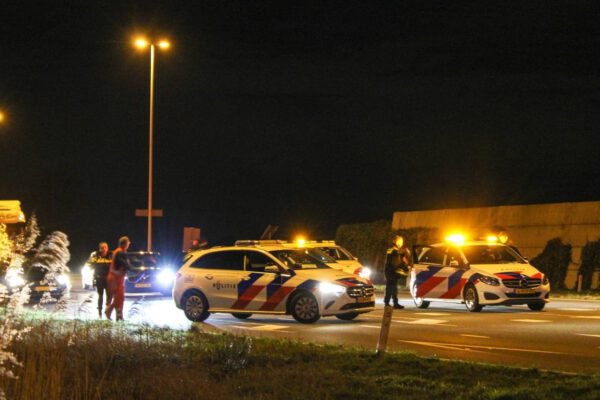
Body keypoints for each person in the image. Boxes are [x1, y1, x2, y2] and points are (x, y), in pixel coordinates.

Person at [105, 236, 132, 321]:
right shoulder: (121, 252)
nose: (128, 245)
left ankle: (119, 316)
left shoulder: (117, 251)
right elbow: (125, 264)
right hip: (116, 278)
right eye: (128, 243)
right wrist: (131, 268)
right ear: (124, 244)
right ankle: (110, 311)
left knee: (119, 297)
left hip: (114, 277)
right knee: (119, 297)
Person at [384, 235, 411, 310]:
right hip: (390, 272)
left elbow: (399, 261)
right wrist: (402, 253)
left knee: (394, 288)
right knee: (390, 288)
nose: (401, 243)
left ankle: (395, 303)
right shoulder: (391, 250)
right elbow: (394, 261)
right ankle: (387, 303)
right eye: (400, 241)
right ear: (396, 241)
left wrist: (404, 256)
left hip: (394, 272)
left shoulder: (397, 251)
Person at [86, 242, 112, 317]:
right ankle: (99, 313)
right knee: (100, 295)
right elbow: (88, 264)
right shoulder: (96, 255)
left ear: (107, 248)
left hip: (108, 279)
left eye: (105, 247)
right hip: (99, 278)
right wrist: (93, 266)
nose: (104, 249)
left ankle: (107, 312)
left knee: (109, 296)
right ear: (99, 248)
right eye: (102, 248)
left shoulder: (111, 255)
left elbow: (115, 265)